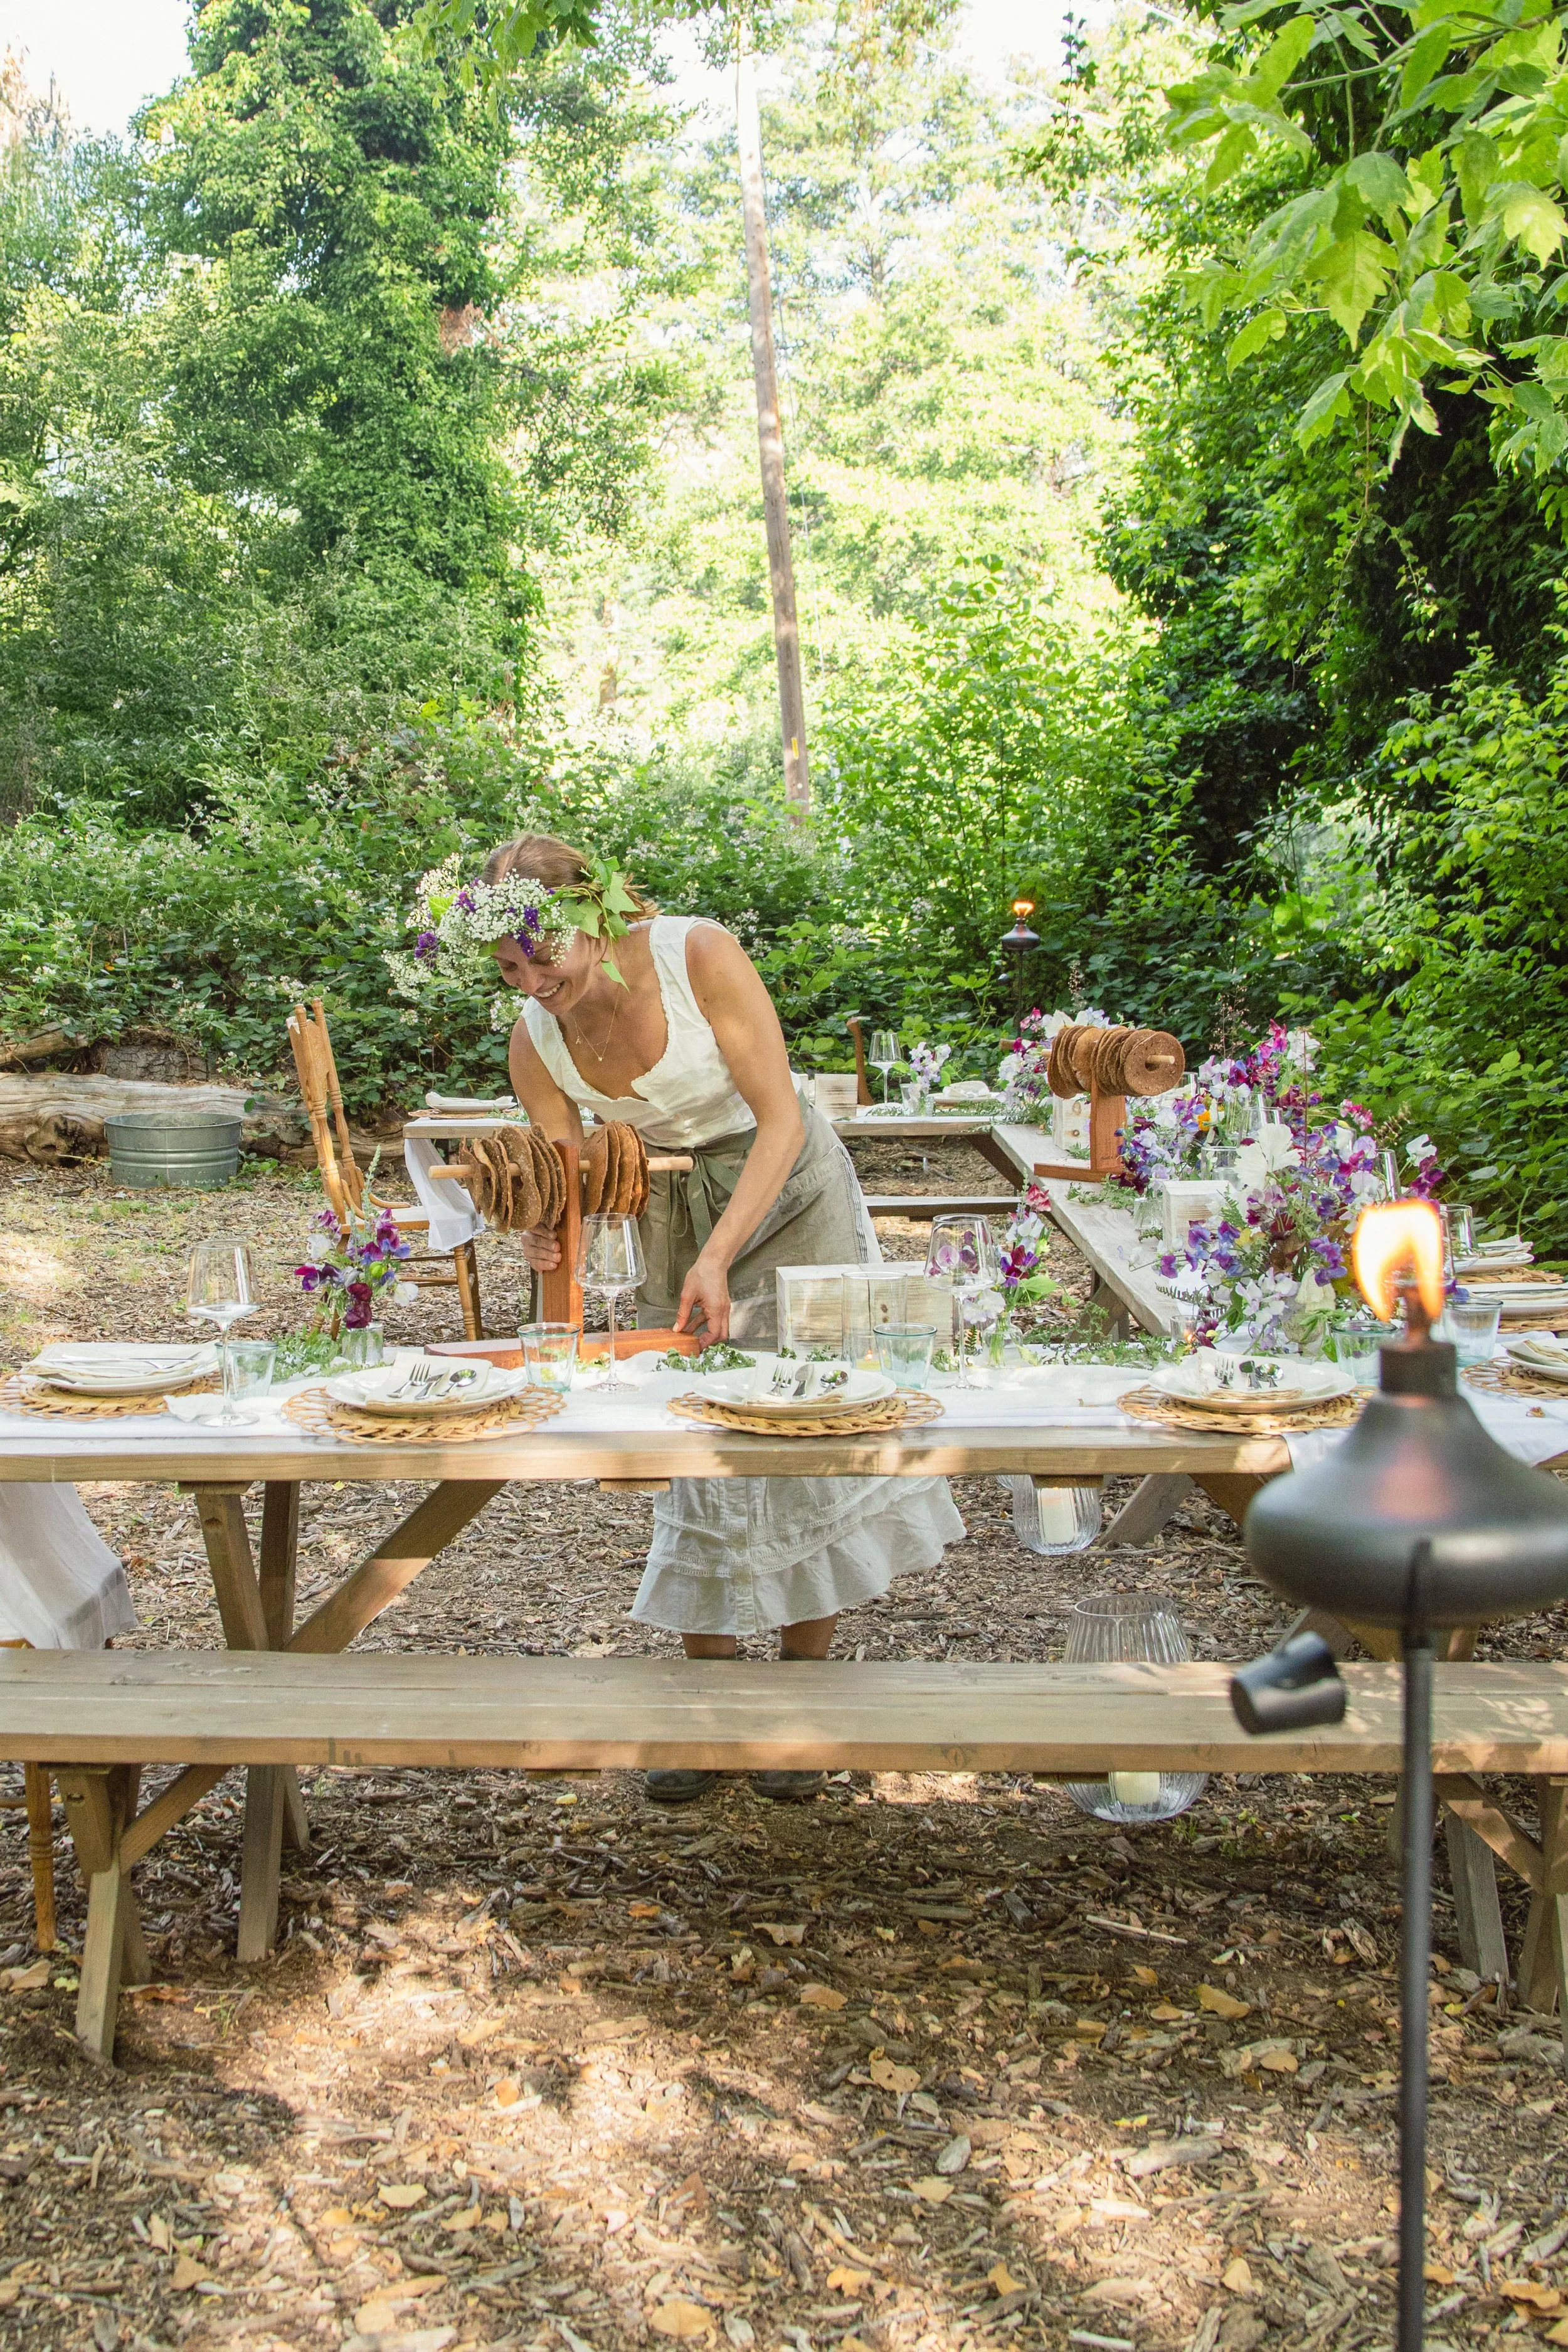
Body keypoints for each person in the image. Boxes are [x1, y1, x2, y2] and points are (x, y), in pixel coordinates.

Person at [435, 833, 964, 1803]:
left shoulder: (697, 956)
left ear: (591, 920)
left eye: (540, 956)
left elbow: (783, 1118)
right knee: (692, 1433)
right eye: (508, 968)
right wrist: (546, 1239)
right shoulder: (533, 1036)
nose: (531, 982)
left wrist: (723, 1253)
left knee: (808, 1421)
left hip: (789, 1192)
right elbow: (571, 1174)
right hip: (671, 1203)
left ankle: (801, 1708)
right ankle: (711, 1709)